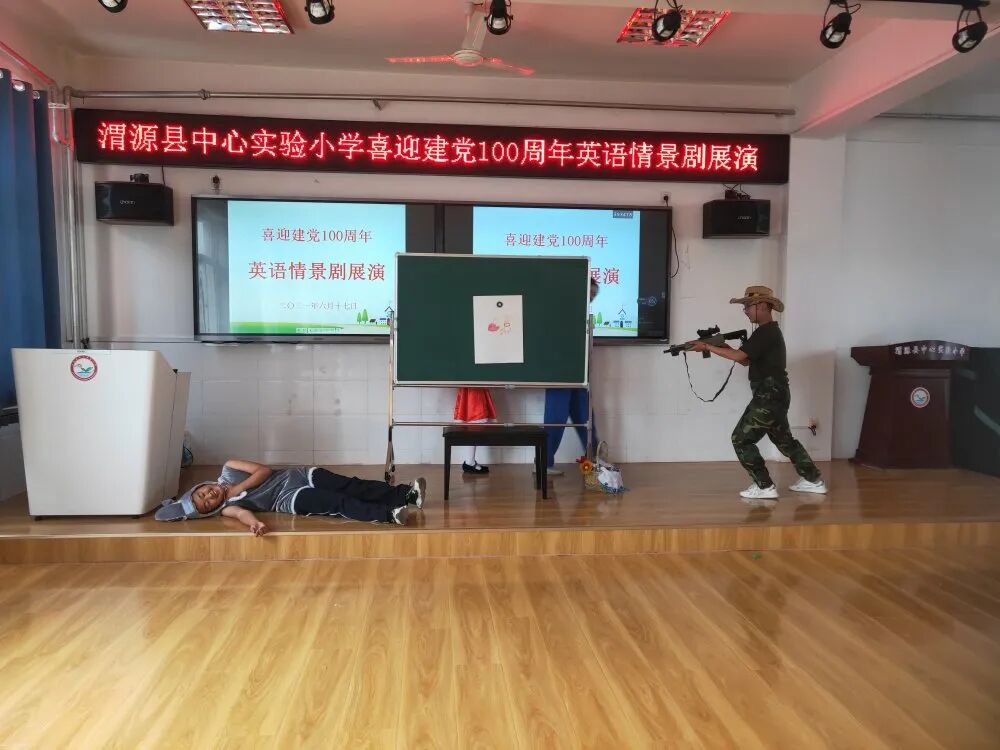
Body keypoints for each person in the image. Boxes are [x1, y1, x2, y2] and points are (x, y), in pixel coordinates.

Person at [689, 285, 827, 506]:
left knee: (741, 439)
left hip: (769, 395)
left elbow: (739, 356)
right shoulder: (766, 332)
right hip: (776, 394)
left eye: (747, 306)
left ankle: (764, 486)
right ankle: (813, 480)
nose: (744, 310)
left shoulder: (766, 332)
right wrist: (720, 344)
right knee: (784, 440)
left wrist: (707, 346)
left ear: (762, 305)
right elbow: (745, 360)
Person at [156, 459, 427, 533]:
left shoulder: (229, 468)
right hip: (288, 499)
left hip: (298, 475)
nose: (209, 496)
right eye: (207, 503)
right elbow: (242, 514)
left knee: (351, 486)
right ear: (213, 509)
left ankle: (407, 495)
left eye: (203, 493)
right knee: (337, 503)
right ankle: (389, 515)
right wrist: (255, 523)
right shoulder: (227, 507)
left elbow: (264, 471)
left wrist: (236, 488)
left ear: (201, 485)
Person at [542, 277, 600, 476]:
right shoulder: (561, 310)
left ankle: (595, 461)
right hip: (559, 374)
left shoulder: (582, 314)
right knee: (555, 419)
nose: (591, 298)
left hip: (579, 375)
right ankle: (543, 463)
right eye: (590, 294)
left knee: (586, 418)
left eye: (594, 296)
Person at [453, 387, 496, 474]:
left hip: (472, 387)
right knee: (474, 425)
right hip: (474, 389)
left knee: (474, 427)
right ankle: (469, 462)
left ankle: (470, 461)